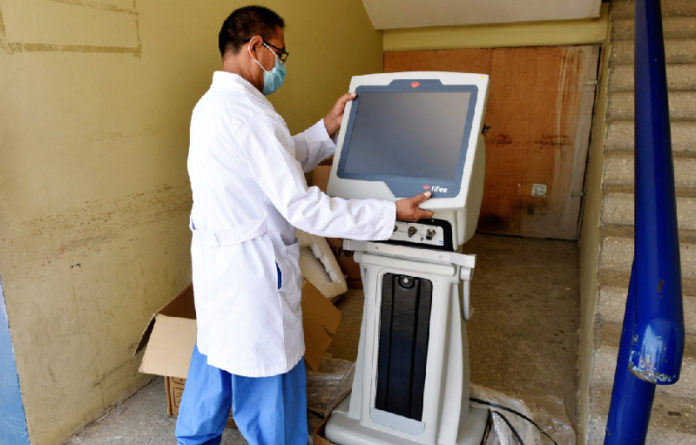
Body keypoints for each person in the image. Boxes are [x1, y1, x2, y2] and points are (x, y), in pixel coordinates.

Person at [175, 5, 433, 445]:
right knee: (270, 391)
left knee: (214, 365)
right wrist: (389, 213)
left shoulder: (212, 106)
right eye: (281, 52)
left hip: (220, 275)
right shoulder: (251, 115)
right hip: (254, 281)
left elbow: (268, 163)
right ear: (256, 47)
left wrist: (326, 130)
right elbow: (304, 207)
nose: (281, 65)